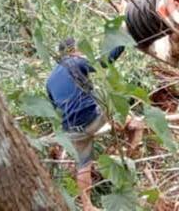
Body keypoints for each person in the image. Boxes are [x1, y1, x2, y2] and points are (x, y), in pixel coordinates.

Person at [47, 38, 125, 211]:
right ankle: (125, 125)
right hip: (93, 120)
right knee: (110, 93)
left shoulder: (49, 80)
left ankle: (87, 205)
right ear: (73, 50)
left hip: (73, 131)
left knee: (84, 164)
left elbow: (55, 111)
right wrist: (123, 41)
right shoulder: (75, 62)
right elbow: (105, 63)